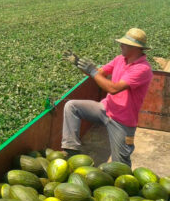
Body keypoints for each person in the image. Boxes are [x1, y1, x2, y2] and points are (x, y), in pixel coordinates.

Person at [62, 28, 153, 166]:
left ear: (135, 48)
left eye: (124, 43)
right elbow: (99, 74)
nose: (120, 45)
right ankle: (71, 150)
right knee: (72, 106)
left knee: (120, 166)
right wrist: (80, 64)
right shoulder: (120, 60)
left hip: (122, 121)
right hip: (106, 108)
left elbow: (113, 88)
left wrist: (93, 71)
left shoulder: (142, 69)